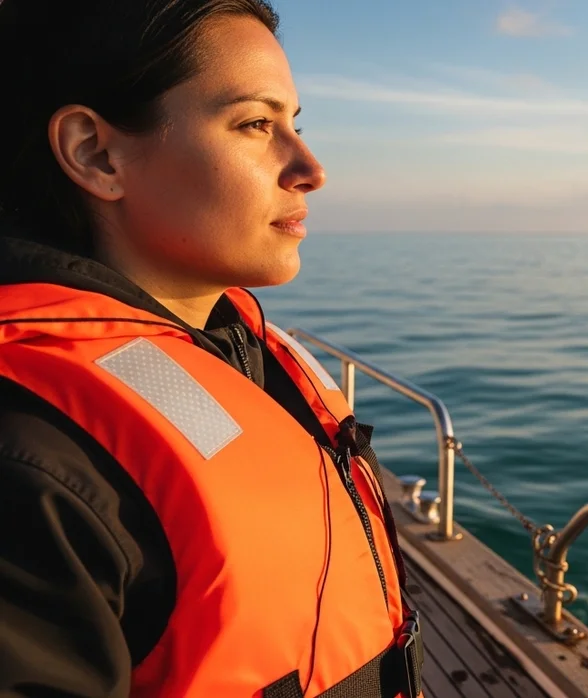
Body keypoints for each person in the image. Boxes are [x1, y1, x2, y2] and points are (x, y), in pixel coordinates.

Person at [0, 1, 424, 696]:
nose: (309, 168)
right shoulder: (34, 466)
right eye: (256, 124)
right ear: (95, 153)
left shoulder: (236, 351)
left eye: (296, 125)